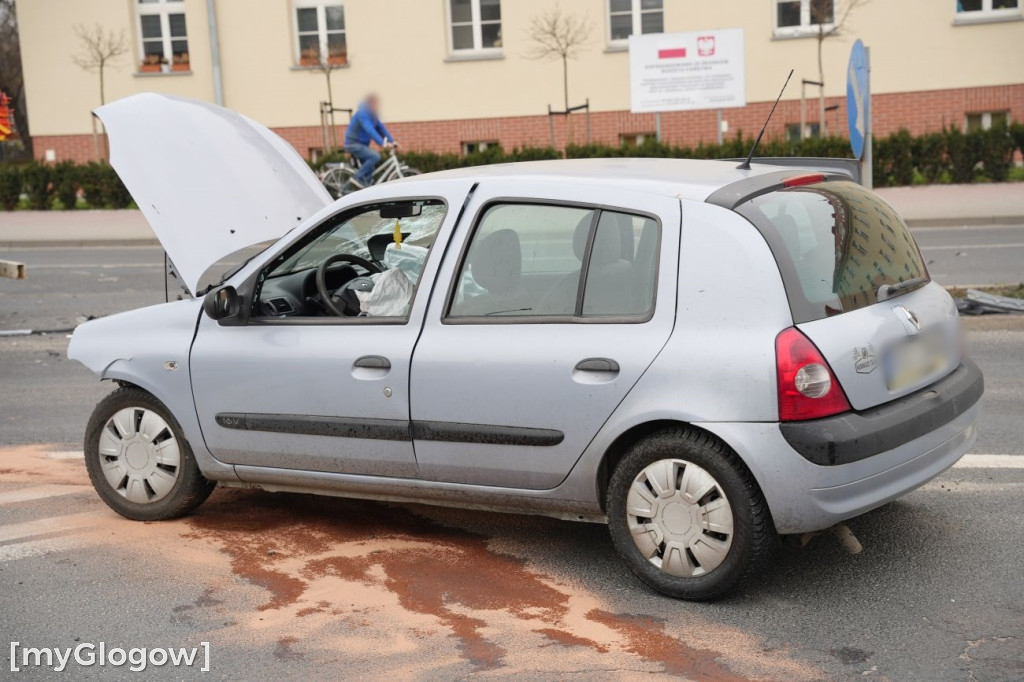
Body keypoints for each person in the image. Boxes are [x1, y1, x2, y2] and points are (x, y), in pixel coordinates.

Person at [343, 94, 397, 189]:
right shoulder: (362, 113)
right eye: (376, 104)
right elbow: (370, 129)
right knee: (375, 156)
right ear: (370, 103)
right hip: (353, 144)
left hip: (362, 145)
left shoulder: (373, 115)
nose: (377, 107)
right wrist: (382, 143)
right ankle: (357, 178)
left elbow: (381, 128)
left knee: (370, 166)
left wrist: (392, 141)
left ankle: (367, 187)